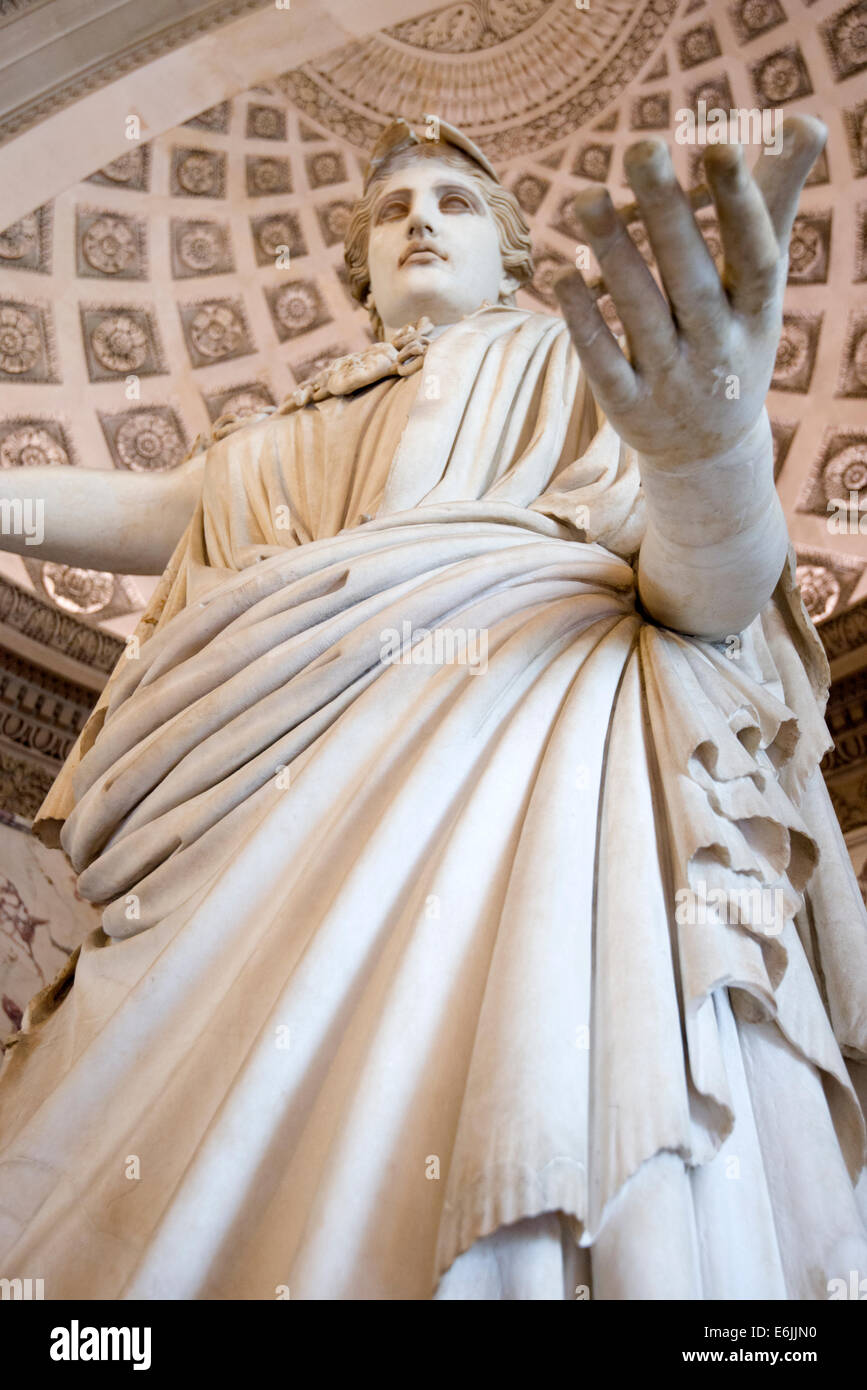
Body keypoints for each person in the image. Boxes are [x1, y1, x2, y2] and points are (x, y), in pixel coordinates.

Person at [0, 114, 864, 1301]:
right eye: (395, 208)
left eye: (454, 204)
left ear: (511, 255)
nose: (421, 221)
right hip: (238, 801)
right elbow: (133, 509)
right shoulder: (272, 434)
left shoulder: (589, 367)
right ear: (359, 266)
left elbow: (709, 607)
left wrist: (712, 469)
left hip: (530, 734)